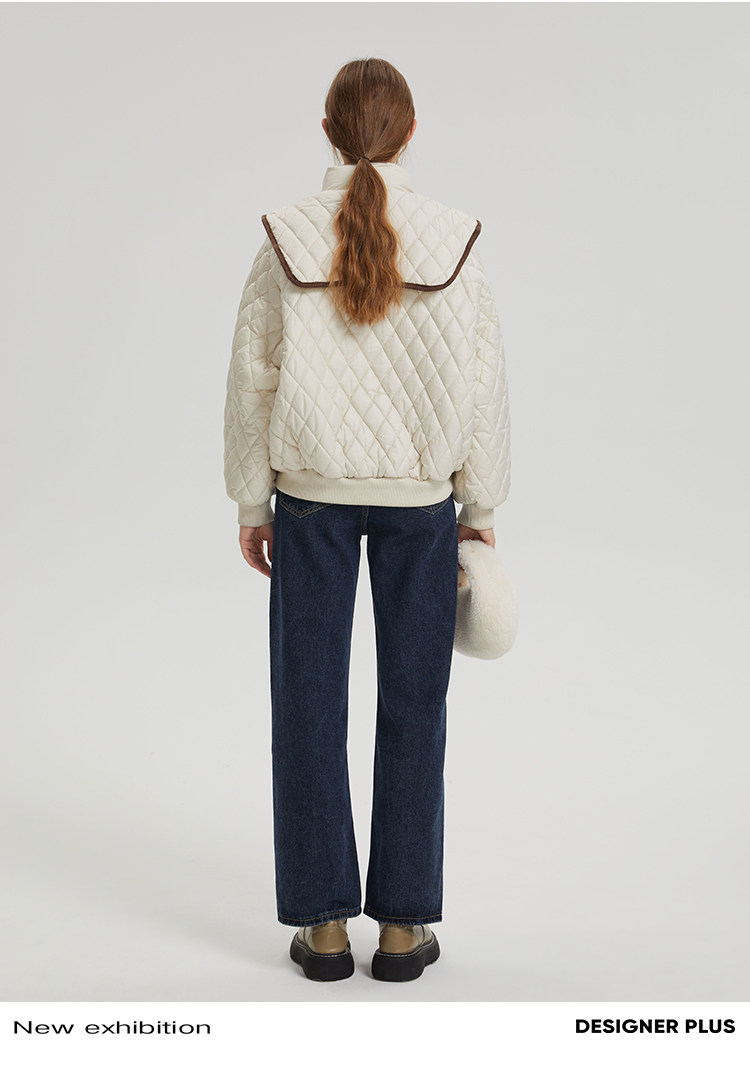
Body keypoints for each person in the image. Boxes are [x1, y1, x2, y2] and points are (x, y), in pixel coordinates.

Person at [223, 57, 511, 982]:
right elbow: (483, 386)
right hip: (421, 505)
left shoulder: (284, 235)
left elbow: (252, 378)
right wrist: (480, 506)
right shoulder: (455, 238)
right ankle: (401, 929)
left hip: (308, 499)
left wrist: (252, 501)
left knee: (306, 706)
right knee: (415, 707)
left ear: (328, 132)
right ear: (410, 134)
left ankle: (321, 930)